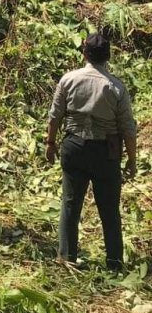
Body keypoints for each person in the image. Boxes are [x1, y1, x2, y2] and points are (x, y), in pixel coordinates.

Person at [47, 34, 137, 270]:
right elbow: (128, 128)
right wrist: (132, 160)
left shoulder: (68, 80)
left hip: (74, 146)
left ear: (84, 54)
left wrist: (50, 143)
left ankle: (67, 257)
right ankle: (114, 263)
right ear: (108, 57)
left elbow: (55, 116)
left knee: (70, 204)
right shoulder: (116, 87)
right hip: (106, 152)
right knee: (109, 209)